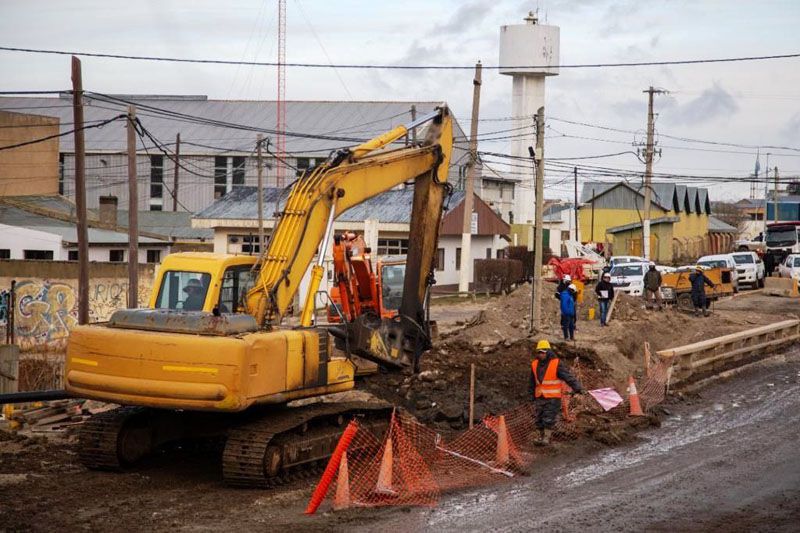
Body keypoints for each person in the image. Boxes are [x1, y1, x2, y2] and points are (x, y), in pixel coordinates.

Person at [528, 339, 585, 446]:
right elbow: (532, 382)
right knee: (539, 417)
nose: (541, 355)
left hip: (553, 397)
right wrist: (531, 396)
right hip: (540, 396)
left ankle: (546, 438)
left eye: (543, 352)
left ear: (548, 352)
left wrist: (578, 387)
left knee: (548, 417)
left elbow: (568, 377)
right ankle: (541, 437)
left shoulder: (556, 364)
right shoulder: (535, 364)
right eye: (539, 352)